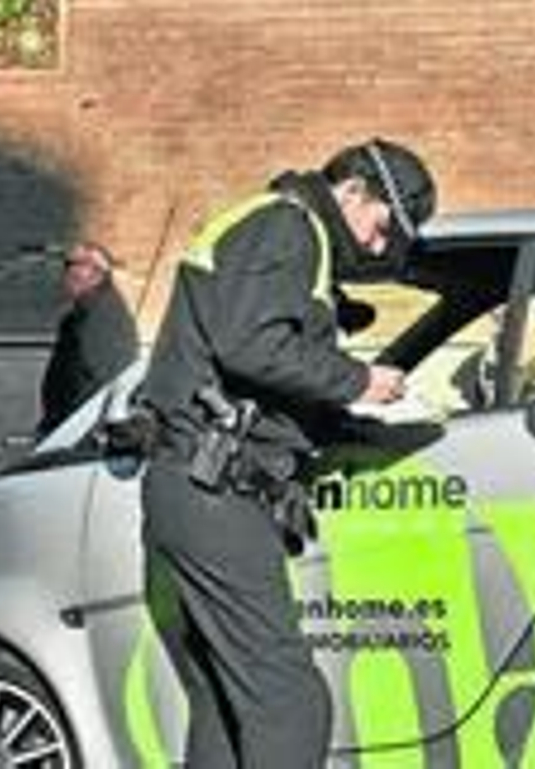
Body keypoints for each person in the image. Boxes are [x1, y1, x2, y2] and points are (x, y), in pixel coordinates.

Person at [139, 138, 436, 768]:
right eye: (384, 228)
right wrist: (361, 381)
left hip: (193, 487)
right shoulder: (288, 226)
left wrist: (348, 427)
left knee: (225, 707)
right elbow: (252, 344)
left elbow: (253, 369)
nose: (382, 248)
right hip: (212, 490)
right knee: (290, 701)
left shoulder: (281, 231)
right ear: (353, 191)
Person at [36, 241, 140, 438]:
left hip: (76, 431)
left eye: (74, 265)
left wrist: (70, 429)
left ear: (96, 273)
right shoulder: (88, 312)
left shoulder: (102, 316)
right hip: (68, 427)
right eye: (67, 265)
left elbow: (101, 377)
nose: (67, 273)